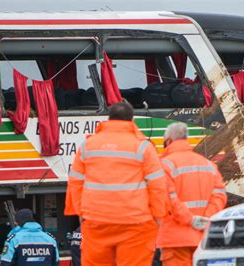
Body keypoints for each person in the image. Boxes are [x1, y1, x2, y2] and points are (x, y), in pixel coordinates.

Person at [64, 102, 168, 266]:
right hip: (135, 224)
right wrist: (158, 220)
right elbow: (158, 187)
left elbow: (75, 184)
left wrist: (82, 216)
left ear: (109, 118)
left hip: (97, 223)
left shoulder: (87, 146)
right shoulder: (143, 147)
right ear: (131, 120)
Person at [156, 122, 227, 266]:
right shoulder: (208, 165)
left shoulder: (164, 165)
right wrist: (205, 219)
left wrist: (189, 219)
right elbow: (220, 195)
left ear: (168, 141)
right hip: (203, 237)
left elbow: (168, 199)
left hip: (175, 240)